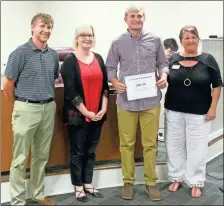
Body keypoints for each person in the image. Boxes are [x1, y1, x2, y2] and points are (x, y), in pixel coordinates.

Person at [106, 5, 169, 201]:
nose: (136, 19)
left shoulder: (155, 40)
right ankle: (128, 182)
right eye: (132, 16)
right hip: (126, 102)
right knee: (127, 144)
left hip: (151, 101)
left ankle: (151, 183)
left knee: (150, 145)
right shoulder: (117, 43)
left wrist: (164, 75)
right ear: (126, 19)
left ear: (144, 19)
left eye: (139, 16)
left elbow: (163, 63)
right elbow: (110, 67)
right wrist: (115, 82)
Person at [2, 13, 59, 205]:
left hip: (48, 108)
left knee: (41, 156)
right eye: (42, 26)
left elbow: (51, 79)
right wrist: (17, 105)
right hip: (26, 108)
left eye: (49, 27)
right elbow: (7, 84)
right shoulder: (20, 53)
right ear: (32, 28)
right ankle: (17, 201)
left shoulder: (53, 55)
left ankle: (37, 194)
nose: (46, 30)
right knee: (19, 158)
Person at [164, 25, 222, 198]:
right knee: (174, 146)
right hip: (173, 111)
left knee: (197, 148)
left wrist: (213, 107)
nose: (190, 40)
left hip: (199, 113)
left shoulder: (208, 59)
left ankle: (196, 181)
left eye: (193, 37)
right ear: (181, 41)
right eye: (186, 37)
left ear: (198, 39)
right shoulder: (172, 59)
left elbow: (217, 85)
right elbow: (162, 78)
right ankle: (176, 177)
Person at [61, 24, 109, 203]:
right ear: (77, 38)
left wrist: (103, 108)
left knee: (91, 151)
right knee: (78, 152)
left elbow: (105, 86)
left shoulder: (98, 58)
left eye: (90, 35)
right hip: (78, 115)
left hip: (98, 114)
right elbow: (71, 91)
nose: (87, 38)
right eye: (83, 35)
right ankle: (78, 186)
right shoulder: (69, 60)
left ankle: (88, 183)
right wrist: (86, 112)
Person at [158, 38, 179, 142]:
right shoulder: (156, 60)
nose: (171, 54)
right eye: (169, 51)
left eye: (173, 52)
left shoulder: (176, 61)